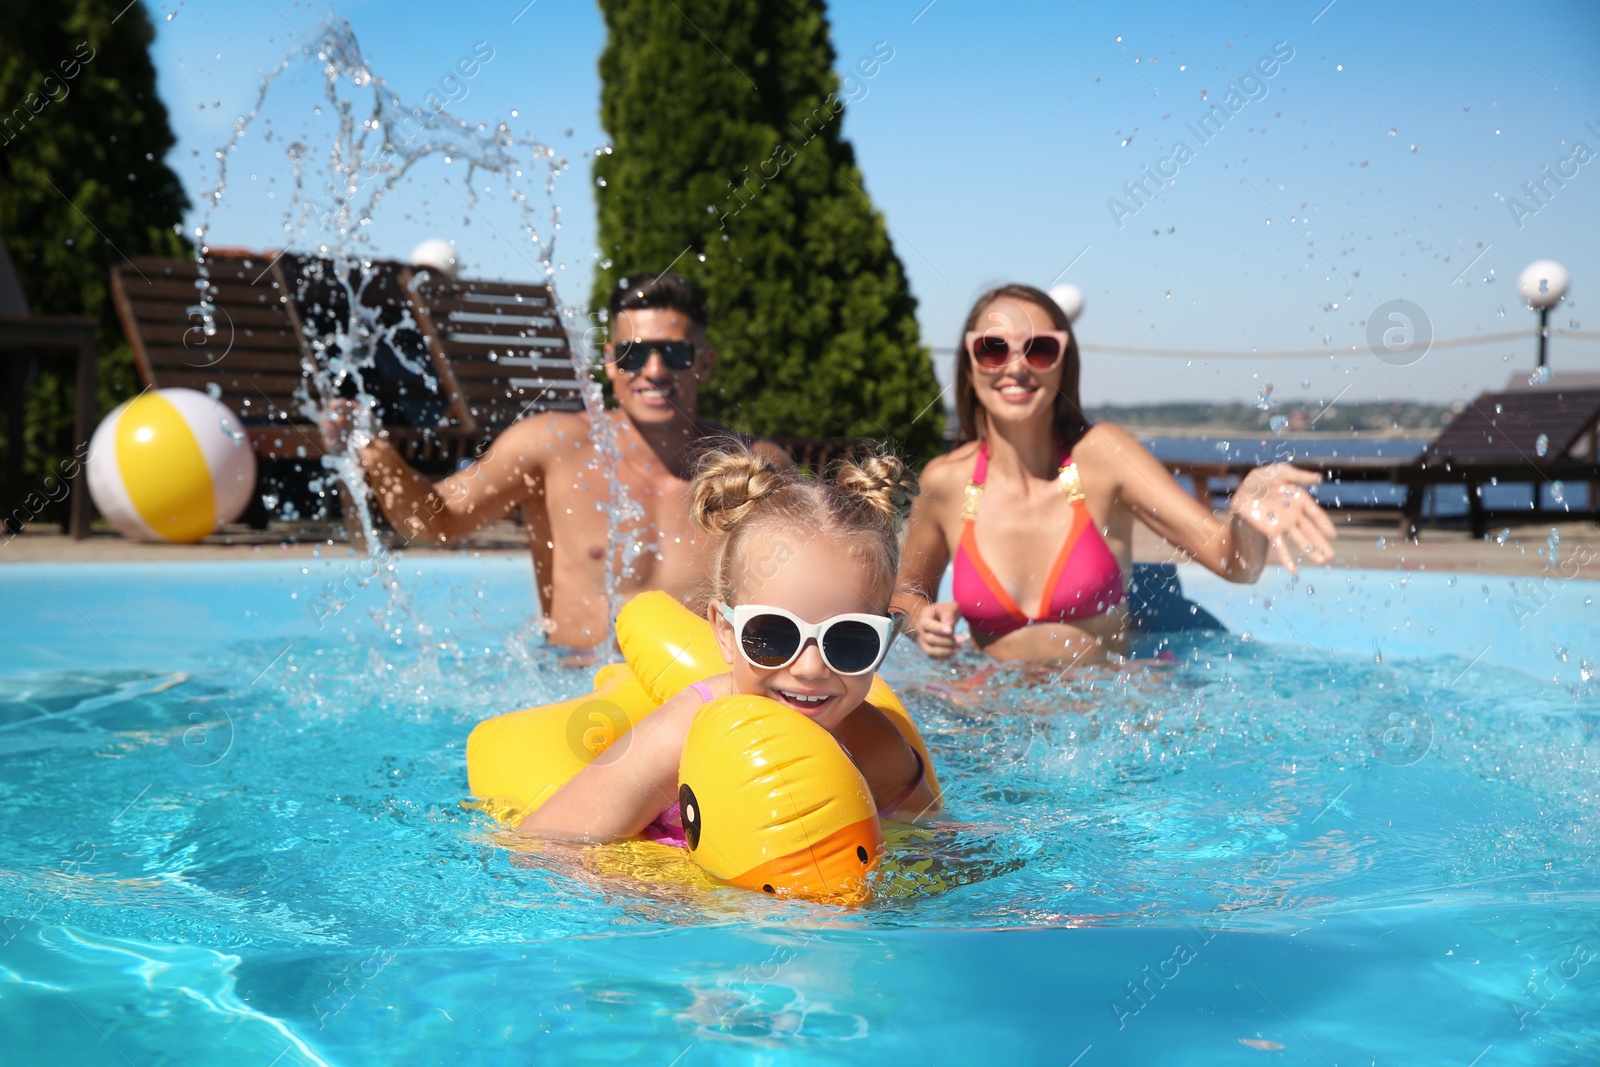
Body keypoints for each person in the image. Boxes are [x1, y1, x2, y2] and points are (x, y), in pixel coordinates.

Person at [320, 271, 789, 655]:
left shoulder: (750, 470)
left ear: (703, 363)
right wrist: (373, 452)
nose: (653, 370)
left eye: (674, 353)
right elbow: (435, 522)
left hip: (697, 696)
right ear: (609, 362)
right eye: (632, 354)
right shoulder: (551, 446)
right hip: (574, 686)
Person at [895, 283, 1337, 665]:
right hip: (989, 717)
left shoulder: (1105, 458)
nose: (1016, 365)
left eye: (1041, 348)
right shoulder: (946, 481)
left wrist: (1245, 519)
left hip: (1099, 722)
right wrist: (920, 622)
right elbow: (904, 595)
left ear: (1064, 364)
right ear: (969, 365)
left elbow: (1233, 563)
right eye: (993, 348)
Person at [518, 447, 939, 841]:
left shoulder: (872, 745)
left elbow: (940, 855)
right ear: (724, 630)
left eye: (849, 639)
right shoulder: (680, 736)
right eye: (773, 634)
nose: (811, 668)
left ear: (884, 640)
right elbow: (548, 845)